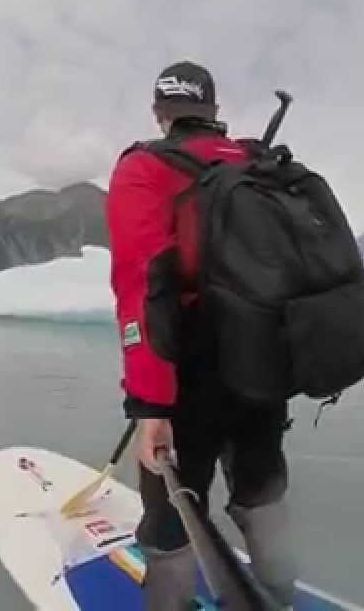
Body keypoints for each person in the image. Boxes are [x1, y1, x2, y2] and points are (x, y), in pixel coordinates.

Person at [105, 61, 297, 608]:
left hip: (189, 376)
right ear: (213, 110)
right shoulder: (256, 163)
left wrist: (150, 407)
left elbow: (144, 288)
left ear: (160, 112)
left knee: (171, 514)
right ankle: (279, 594)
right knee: (261, 488)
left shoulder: (144, 168)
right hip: (264, 365)